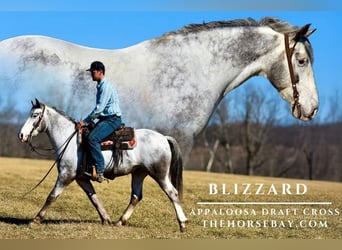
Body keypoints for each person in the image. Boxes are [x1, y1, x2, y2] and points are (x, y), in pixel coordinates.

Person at [77, 61, 122, 183]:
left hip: (112, 119)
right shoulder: (100, 85)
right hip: (106, 118)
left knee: (92, 139)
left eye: (93, 72)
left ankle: (100, 170)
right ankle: (89, 167)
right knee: (88, 136)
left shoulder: (105, 86)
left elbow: (99, 108)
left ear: (100, 72)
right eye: (91, 72)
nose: (91, 74)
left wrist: (86, 121)